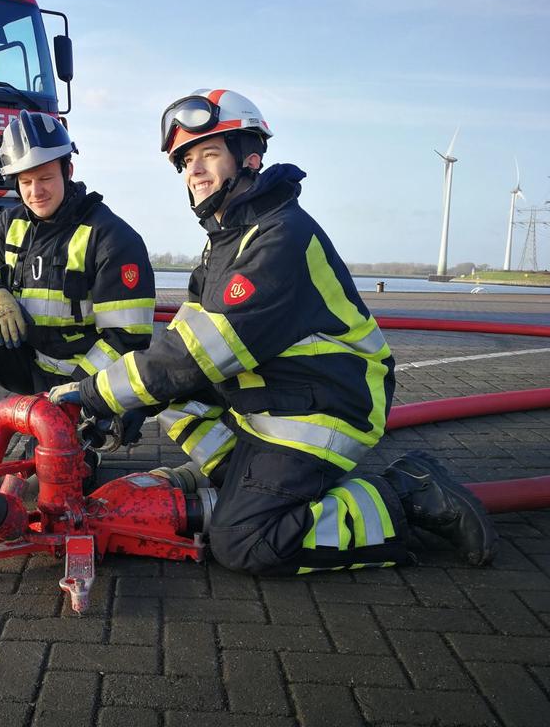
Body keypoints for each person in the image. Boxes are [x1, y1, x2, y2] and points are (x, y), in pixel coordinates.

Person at [50, 89, 497, 575]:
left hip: (322, 407)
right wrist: (131, 402)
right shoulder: (224, 242)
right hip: (272, 401)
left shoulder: (279, 237)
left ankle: (406, 495)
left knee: (244, 541)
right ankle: (238, 478)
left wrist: (94, 395)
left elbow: (198, 354)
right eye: (186, 162)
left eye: (209, 154)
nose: (194, 171)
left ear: (250, 158)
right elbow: (180, 339)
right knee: (168, 395)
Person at [0, 110, 156, 458]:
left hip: (82, 381)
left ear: (67, 172)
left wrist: (76, 396)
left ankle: (82, 443)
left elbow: (126, 340)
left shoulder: (112, 237)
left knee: (44, 480)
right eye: (25, 182)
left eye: (45, 178)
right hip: (28, 363)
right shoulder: (10, 224)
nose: (35, 191)